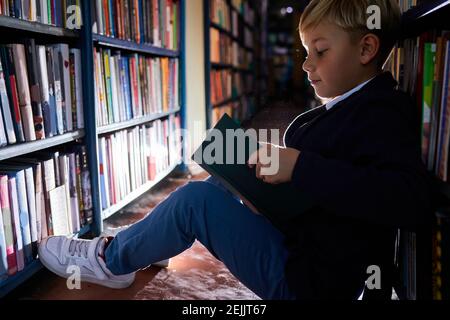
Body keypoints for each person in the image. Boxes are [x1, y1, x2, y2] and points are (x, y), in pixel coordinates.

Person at [38, 0, 433, 300]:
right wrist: (274, 166)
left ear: (366, 49)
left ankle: (110, 261)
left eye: (321, 50)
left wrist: (298, 167)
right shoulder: (354, 105)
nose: (308, 64)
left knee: (197, 201)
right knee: (226, 165)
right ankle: (145, 242)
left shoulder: (382, 112)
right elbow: (334, 179)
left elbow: (407, 200)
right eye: (305, 51)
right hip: (304, 248)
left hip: (309, 281)